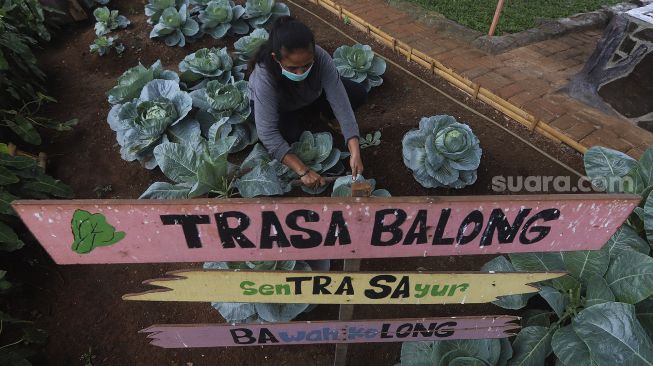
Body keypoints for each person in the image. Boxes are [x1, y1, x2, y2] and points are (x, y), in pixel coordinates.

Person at [248, 16, 367, 190]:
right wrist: (303, 171)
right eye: (292, 68)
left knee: (357, 94)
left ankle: (322, 117)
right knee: (290, 138)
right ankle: (305, 121)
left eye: (306, 65)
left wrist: (355, 150)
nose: (300, 71)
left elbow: (341, 104)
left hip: (309, 97)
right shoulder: (264, 76)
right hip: (282, 110)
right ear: (276, 58)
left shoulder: (320, 57)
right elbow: (268, 133)